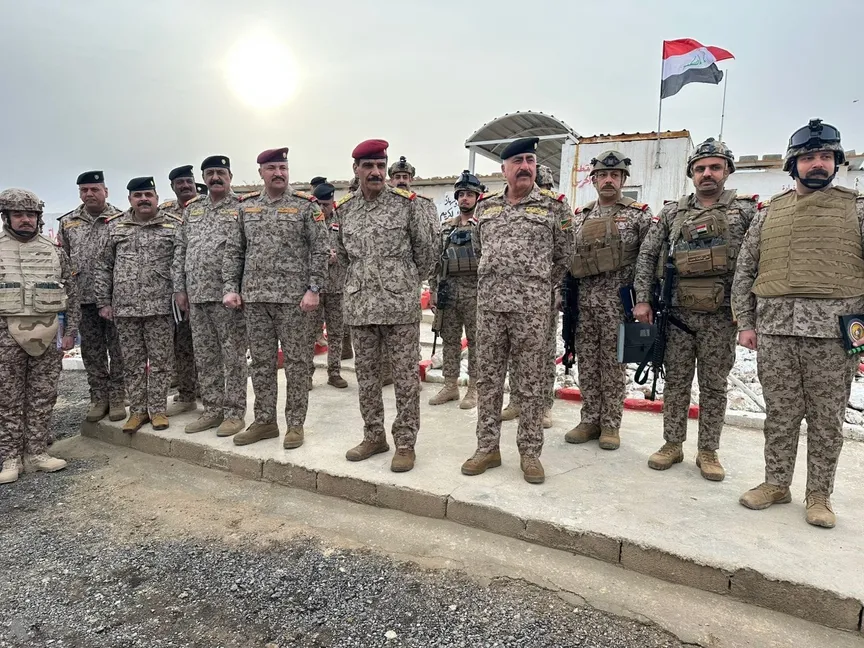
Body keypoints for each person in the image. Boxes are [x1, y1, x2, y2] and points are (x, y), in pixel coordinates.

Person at [734, 119, 864, 528]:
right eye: (808, 158)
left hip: (833, 335)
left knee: (826, 420)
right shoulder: (768, 213)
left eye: (825, 156)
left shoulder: (857, 209)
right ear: (794, 164)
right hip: (776, 331)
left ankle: (819, 495)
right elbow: (746, 270)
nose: (817, 164)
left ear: (836, 162)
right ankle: (776, 483)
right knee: (780, 414)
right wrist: (745, 322)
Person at [633, 138, 758, 481]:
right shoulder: (672, 212)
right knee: (675, 382)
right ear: (691, 174)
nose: (707, 174)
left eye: (715, 167)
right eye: (700, 168)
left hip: (721, 317)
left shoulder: (746, 212)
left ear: (727, 171)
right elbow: (647, 255)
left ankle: (708, 451)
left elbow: (755, 263)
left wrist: (748, 315)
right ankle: (672, 444)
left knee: (714, 386)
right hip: (678, 316)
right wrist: (642, 299)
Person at [460, 137, 572, 484]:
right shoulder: (487, 207)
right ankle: (487, 448)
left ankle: (530, 453)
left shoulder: (554, 207)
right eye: (517, 161)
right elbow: (479, 251)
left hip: (531, 312)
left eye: (530, 160)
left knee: (531, 383)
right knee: (489, 380)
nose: (525, 166)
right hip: (490, 309)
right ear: (504, 169)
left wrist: (535, 286)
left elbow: (565, 256)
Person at [335, 139, 433, 472]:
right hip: (361, 307)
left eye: (380, 165)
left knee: (405, 379)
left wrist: (403, 281)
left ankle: (405, 443)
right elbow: (344, 256)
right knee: (366, 378)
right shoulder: (345, 209)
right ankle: (373, 436)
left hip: (399, 307)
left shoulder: (407, 205)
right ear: (356, 169)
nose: (376, 172)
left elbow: (426, 252)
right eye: (369, 166)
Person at [222, 147, 328, 449]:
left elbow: (320, 249)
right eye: (272, 168)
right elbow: (235, 250)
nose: (278, 173)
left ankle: (295, 424)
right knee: (261, 363)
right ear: (261, 173)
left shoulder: (306, 206)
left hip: (294, 300)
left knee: (296, 363)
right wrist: (230, 287)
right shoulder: (246, 207)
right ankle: (265, 421)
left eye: (283, 167)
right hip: (255, 300)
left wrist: (314, 289)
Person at [565, 151, 653, 450]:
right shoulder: (580, 217)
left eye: (614, 175)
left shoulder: (639, 215)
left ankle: (611, 424)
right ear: (593, 180)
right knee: (588, 363)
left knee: (614, 365)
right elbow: (568, 260)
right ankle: (589, 419)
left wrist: (644, 299)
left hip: (618, 304)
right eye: (602, 175)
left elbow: (647, 261)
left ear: (623, 179)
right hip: (585, 304)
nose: (608, 180)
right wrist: (564, 297)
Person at [0, 188, 79, 484]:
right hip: (5, 336)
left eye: (31, 215)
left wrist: (71, 332)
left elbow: (72, 294)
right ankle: (10, 457)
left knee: (43, 396)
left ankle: (36, 452)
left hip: (46, 334)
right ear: (6, 216)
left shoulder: (55, 252)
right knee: (7, 398)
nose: (25, 220)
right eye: (18, 214)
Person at [96, 177, 180, 433]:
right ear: (130, 199)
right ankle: (138, 411)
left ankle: (158, 410)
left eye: (148, 195)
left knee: (161, 361)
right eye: (138, 195)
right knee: (131, 363)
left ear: (156, 197)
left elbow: (179, 264)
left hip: (161, 307)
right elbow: (103, 266)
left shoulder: (173, 225)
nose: (144, 199)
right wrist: (103, 301)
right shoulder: (115, 227)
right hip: (126, 307)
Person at [172, 155, 248, 437]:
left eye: (220, 172)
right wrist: (180, 288)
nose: (215, 177)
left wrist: (239, 289)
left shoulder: (242, 207)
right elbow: (181, 249)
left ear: (230, 176)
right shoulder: (193, 209)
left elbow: (248, 250)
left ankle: (234, 413)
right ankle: (212, 410)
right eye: (210, 173)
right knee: (205, 357)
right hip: (197, 295)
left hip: (229, 297)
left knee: (233, 357)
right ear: (203, 178)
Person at [56, 171, 126, 423]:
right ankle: (99, 398)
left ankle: (118, 397)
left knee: (119, 350)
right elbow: (63, 261)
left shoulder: (121, 219)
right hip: (83, 299)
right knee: (92, 352)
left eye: (94, 189)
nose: (89, 194)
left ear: (105, 191)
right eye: (84, 190)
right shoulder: (68, 222)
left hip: (116, 299)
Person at [501, 163, 560, 428]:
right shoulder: (514, 211)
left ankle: (544, 405)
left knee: (543, 353)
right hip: (514, 296)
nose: (540, 192)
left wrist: (553, 288)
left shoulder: (556, 210)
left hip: (544, 296)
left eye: (545, 187)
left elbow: (565, 256)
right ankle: (516, 400)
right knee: (516, 351)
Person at [427, 170, 484, 409]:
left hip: (475, 293)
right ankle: (450, 385)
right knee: (449, 340)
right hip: (449, 292)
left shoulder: (483, 226)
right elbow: (436, 261)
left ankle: (474, 389)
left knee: (476, 342)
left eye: (469, 194)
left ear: (478, 197)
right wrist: (433, 290)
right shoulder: (446, 228)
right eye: (461, 195)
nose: (465, 199)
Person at [159, 165, 199, 417]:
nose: (185, 186)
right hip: (177, 291)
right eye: (180, 182)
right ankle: (187, 394)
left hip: (207, 288)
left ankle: (210, 390)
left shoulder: (206, 207)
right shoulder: (164, 214)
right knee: (182, 345)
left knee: (211, 346)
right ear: (172, 186)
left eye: (188, 181)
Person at [307, 181, 348, 389]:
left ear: (333, 202)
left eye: (326, 205)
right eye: (320, 205)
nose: (323, 209)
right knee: (308, 333)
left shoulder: (341, 220)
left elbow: (350, 249)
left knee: (336, 333)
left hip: (336, 287)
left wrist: (336, 256)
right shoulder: (310, 219)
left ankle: (334, 372)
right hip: (314, 288)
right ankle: (307, 374)